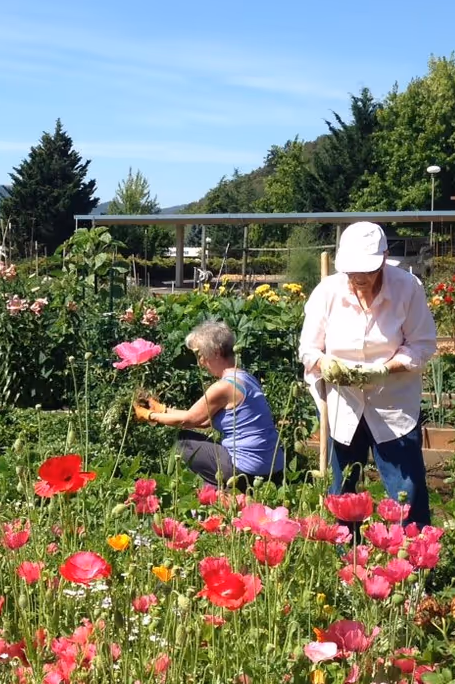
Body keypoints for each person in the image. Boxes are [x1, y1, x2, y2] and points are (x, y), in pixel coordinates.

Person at [299, 221, 438, 524]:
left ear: (384, 258)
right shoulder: (327, 292)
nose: (359, 278)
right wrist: (329, 366)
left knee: (408, 490)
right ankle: (347, 561)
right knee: (344, 493)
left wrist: (385, 369)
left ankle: (414, 562)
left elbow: (422, 344)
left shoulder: (407, 288)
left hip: (393, 405)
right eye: (352, 271)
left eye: (367, 270)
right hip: (344, 405)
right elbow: (308, 349)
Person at [134, 319, 286, 488]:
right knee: (203, 446)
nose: (200, 363)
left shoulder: (224, 387)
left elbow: (189, 421)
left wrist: (149, 415)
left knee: (185, 443)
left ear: (215, 352)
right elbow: (205, 420)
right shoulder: (245, 377)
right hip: (273, 466)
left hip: (247, 469)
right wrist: (163, 410)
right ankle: (217, 492)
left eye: (201, 356)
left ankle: (221, 492)